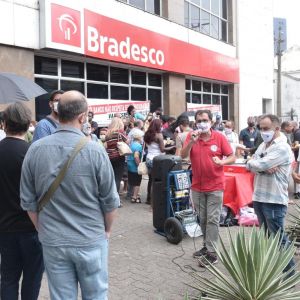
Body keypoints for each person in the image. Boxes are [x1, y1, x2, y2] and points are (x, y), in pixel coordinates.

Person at [20, 91, 119, 299]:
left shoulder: (35, 150)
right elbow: (110, 201)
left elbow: (28, 202)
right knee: (95, 295)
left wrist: (43, 229)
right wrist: (107, 231)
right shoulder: (95, 151)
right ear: (83, 117)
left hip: (53, 240)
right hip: (91, 238)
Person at [0, 102, 44, 300]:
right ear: (28, 125)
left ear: (4, 124)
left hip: (4, 227)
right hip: (32, 227)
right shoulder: (34, 153)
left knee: (8, 277)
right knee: (32, 278)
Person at [181, 110, 235, 267]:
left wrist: (222, 162)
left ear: (211, 122)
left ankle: (212, 253)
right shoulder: (192, 136)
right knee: (203, 219)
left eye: (205, 120)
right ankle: (206, 246)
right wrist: (191, 141)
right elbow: (183, 156)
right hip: (197, 187)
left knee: (212, 219)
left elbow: (232, 156)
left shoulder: (219, 137)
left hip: (215, 186)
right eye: (199, 120)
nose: (202, 123)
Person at [246, 114, 295, 274]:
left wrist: (259, 165)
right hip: (259, 196)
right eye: (261, 128)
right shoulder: (264, 145)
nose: (262, 131)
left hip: (274, 200)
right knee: (267, 237)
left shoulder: (282, 147)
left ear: (277, 128)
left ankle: (290, 274)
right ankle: (273, 269)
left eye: (266, 128)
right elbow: (253, 161)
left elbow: (261, 163)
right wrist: (258, 165)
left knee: (279, 239)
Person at [144, 119, 175, 205]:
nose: (162, 127)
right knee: (157, 181)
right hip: (157, 160)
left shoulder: (147, 134)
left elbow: (147, 147)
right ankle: (154, 202)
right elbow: (162, 149)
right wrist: (172, 147)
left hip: (149, 158)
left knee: (151, 180)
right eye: (160, 125)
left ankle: (148, 199)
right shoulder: (159, 135)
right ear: (158, 126)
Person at [105, 117, 128, 194]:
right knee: (117, 178)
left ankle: (110, 195)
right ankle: (116, 198)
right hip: (119, 157)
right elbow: (128, 142)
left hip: (109, 157)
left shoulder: (107, 134)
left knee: (111, 178)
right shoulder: (120, 133)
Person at [127, 132, 144, 203]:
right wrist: (140, 165)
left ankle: (130, 194)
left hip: (129, 164)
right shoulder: (138, 146)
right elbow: (136, 156)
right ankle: (134, 197)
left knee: (131, 181)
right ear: (139, 137)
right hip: (135, 166)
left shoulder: (131, 144)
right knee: (137, 182)